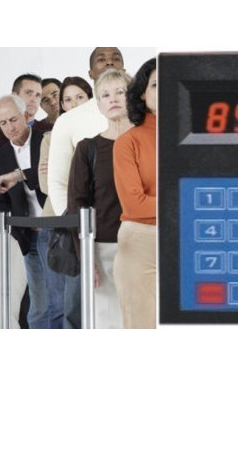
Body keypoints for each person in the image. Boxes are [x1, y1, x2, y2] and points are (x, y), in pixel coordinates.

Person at [47, 48, 125, 328]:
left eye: (115, 58)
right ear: (90, 73)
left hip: (137, 238)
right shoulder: (71, 123)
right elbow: (59, 183)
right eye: (101, 59)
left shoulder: (144, 125)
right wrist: (76, 233)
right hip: (92, 235)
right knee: (80, 310)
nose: (109, 62)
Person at [67, 68, 132, 329]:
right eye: (105, 95)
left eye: (119, 92)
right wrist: (86, 256)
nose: (112, 99)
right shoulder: (88, 149)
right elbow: (77, 204)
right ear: (99, 105)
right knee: (107, 322)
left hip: (147, 246)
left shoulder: (150, 143)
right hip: (104, 248)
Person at [0, 96, 54, 329]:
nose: (10, 127)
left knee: (59, 301)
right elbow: (0, 200)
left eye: (13, 119)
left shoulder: (46, 140)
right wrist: (14, 228)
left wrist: (20, 175)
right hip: (28, 236)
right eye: (3, 123)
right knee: (39, 306)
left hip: (55, 230)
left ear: (25, 115)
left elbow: (53, 176)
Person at [113, 58, 157, 329]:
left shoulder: (199, 140)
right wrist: (187, 203)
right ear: (142, 93)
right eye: (155, 85)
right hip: (141, 241)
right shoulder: (128, 142)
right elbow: (134, 204)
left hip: (191, 238)